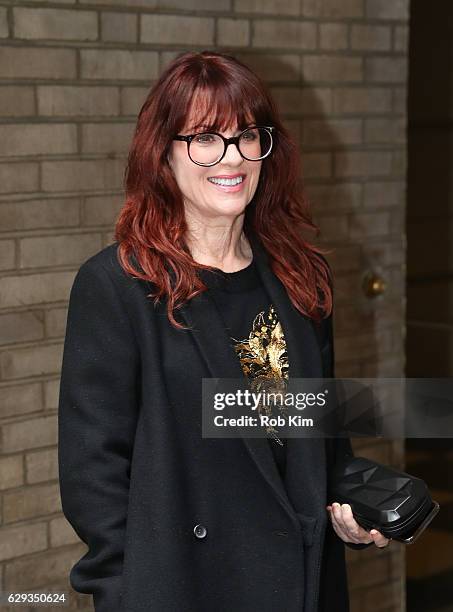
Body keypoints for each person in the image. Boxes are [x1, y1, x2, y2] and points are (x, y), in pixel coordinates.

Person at [58, 50, 390, 612]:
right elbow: (95, 473)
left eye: (246, 135)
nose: (230, 158)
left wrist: (359, 505)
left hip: (302, 581)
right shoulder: (118, 285)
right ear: (163, 153)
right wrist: (124, 594)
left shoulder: (301, 276)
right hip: (187, 585)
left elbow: (321, 437)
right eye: (205, 138)